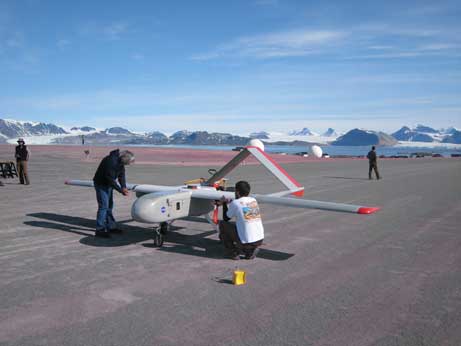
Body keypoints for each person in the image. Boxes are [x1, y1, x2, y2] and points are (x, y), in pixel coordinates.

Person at [93, 149, 135, 238]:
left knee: (109, 206)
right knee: (103, 206)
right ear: (125, 159)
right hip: (101, 184)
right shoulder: (111, 162)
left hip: (108, 184)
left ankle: (111, 226)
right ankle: (99, 229)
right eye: (130, 162)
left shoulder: (119, 161)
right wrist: (121, 191)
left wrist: (123, 186)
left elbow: (121, 175)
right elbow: (110, 180)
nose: (130, 163)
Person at [218, 181, 264, 260]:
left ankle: (233, 252)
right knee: (242, 223)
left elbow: (226, 218)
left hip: (247, 242)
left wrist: (224, 203)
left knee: (222, 225)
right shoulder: (253, 200)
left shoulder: (235, 203)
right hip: (259, 240)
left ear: (237, 192)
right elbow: (242, 205)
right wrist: (231, 202)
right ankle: (250, 252)